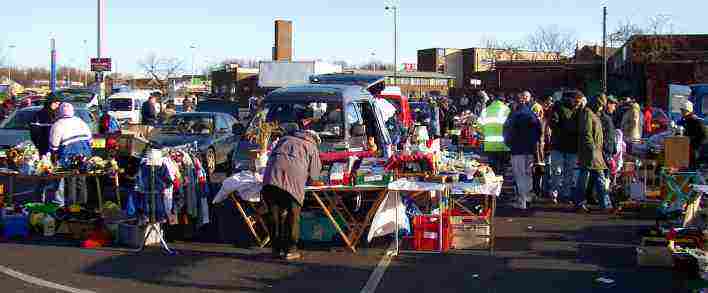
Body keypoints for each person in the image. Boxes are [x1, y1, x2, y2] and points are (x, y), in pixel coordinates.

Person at [262, 129, 321, 261]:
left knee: (274, 214)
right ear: (314, 139)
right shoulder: (311, 146)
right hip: (293, 182)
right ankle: (291, 249)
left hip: (270, 179)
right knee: (293, 213)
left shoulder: (283, 140)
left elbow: (270, 160)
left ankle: (276, 249)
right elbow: (315, 175)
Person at [503, 91, 542, 210]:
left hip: (517, 150)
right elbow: (539, 131)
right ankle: (528, 197)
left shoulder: (513, 115)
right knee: (528, 174)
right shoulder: (532, 114)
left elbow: (506, 132)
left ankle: (522, 201)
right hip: (529, 149)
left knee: (519, 175)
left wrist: (509, 144)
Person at [49, 103, 93, 206]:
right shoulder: (80, 121)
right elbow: (90, 140)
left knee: (70, 180)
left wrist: (53, 161)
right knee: (82, 179)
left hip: (69, 156)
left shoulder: (58, 124)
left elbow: (54, 147)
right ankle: (82, 206)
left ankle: (71, 208)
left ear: (59, 112)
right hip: (85, 154)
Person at [575, 93, 613, 213]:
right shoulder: (588, 114)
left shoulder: (592, 114)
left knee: (592, 178)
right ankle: (603, 205)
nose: (602, 108)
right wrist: (592, 149)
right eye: (601, 105)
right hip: (591, 153)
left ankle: (603, 204)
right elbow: (586, 133)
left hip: (595, 152)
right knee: (587, 179)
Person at [548, 91, 582, 204]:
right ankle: (556, 193)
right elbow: (552, 124)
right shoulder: (558, 108)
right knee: (560, 172)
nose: (577, 103)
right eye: (576, 100)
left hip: (566, 145)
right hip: (561, 145)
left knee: (565, 172)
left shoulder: (578, 110)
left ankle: (562, 194)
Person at [480, 96, 511, 175]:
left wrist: (486, 132)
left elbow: (479, 126)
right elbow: (512, 126)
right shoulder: (507, 110)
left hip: (490, 145)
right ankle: (502, 182)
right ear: (503, 101)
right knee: (503, 170)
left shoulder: (485, 111)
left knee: (492, 171)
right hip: (504, 145)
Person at [678, 101, 707, 169]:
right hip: (688, 149)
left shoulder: (696, 121)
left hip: (695, 150)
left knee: (692, 168)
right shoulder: (685, 120)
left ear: (688, 110)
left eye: (683, 110)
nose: (681, 112)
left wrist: (693, 144)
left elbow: (703, 136)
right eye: (681, 110)